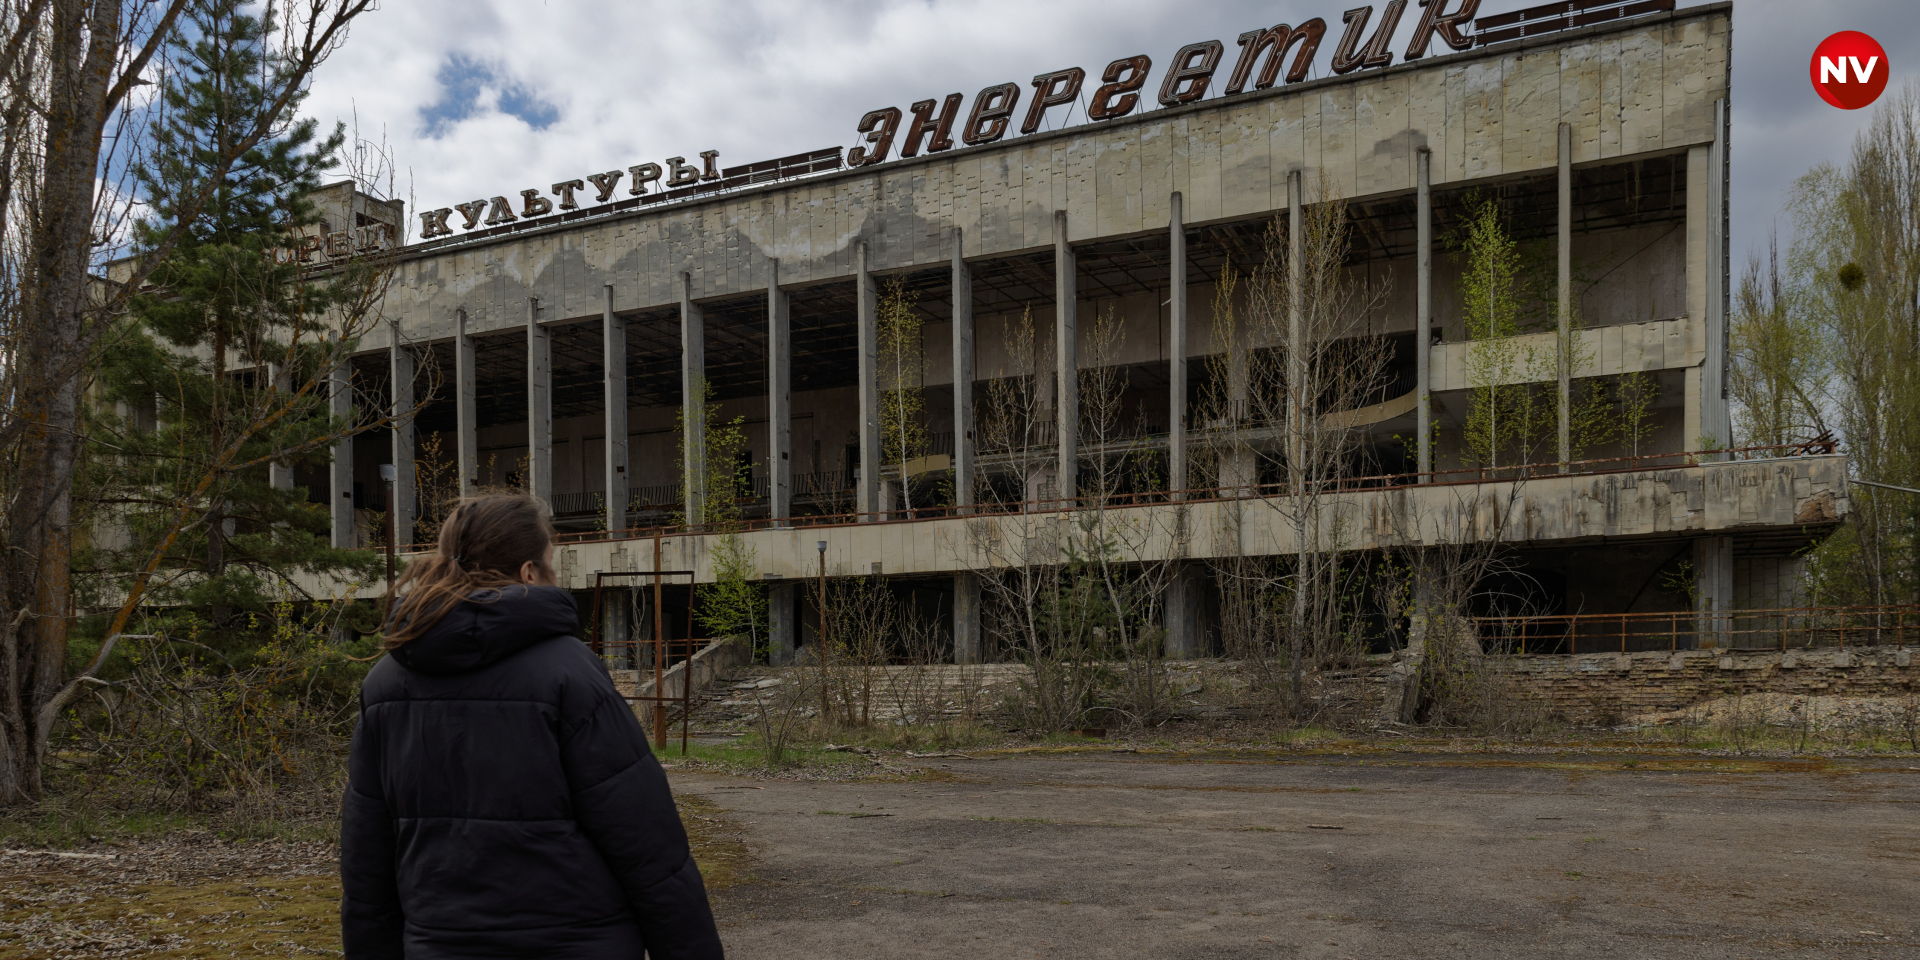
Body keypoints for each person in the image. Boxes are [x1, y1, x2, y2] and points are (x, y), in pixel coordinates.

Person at [341, 493, 723, 959]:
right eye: (551, 564)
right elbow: (646, 843)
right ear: (528, 573)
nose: (556, 577)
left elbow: (366, 861)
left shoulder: (385, 683)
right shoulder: (569, 671)